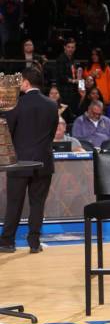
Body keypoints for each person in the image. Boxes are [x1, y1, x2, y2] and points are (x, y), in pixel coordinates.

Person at [0, 67, 58, 253]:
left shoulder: (16, 103)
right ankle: (34, 243)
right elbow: (52, 132)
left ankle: (7, 242)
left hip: (19, 162)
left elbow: (7, 131)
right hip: (44, 162)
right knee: (37, 203)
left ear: (25, 82)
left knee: (14, 203)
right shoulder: (52, 105)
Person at [56, 38, 80, 113]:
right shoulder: (61, 59)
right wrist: (73, 81)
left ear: (75, 48)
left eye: (72, 47)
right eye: (69, 47)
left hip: (72, 91)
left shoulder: (73, 59)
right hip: (64, 92)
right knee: (65, 113)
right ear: (64, 47)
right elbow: (61, 76)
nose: (70, 49)